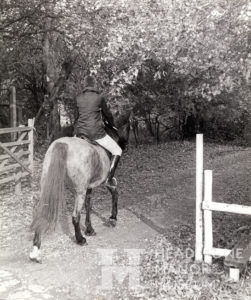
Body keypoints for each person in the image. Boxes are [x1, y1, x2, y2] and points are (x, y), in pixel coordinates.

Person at [75, 75, 122, 188]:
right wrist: (112, 125)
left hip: (80, 132)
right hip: (95, 133)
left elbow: (77, 117)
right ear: (94, 84)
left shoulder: (78, 98)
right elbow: (107, 115)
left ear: (84, 85)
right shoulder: (99, 97)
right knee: (117, 150)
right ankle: (109, 179)